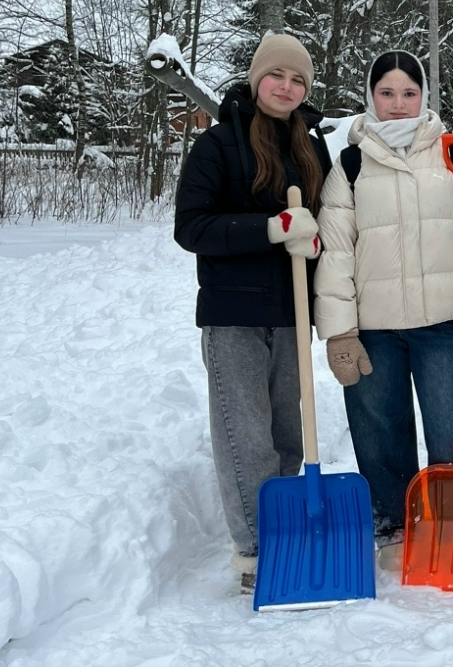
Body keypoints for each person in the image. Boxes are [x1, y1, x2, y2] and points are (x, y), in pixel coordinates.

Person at [312, 50, 453, 562]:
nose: (399, 103)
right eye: (387, 93)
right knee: (379, 431)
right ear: (371, 97)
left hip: (444, 325)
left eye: (409, 92)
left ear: (424, 96)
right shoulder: (351, 166)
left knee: (450, 430)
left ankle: (451, 519)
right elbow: (336, 253)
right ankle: (392, 520)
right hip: (373, 327)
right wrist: (339, 331)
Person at [173, 34, 330, 593]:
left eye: (298, 80)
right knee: (246, 436)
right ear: (257, 78)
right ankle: (255, 550)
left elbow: (325, 221)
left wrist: (316, 245)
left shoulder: (312, 148)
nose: (286, 88)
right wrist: (269, 228)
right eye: (277, 76)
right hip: (234, 314)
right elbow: (191, 227)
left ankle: (284, 531)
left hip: (291, 311)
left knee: (288, 431)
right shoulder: (217, 144)